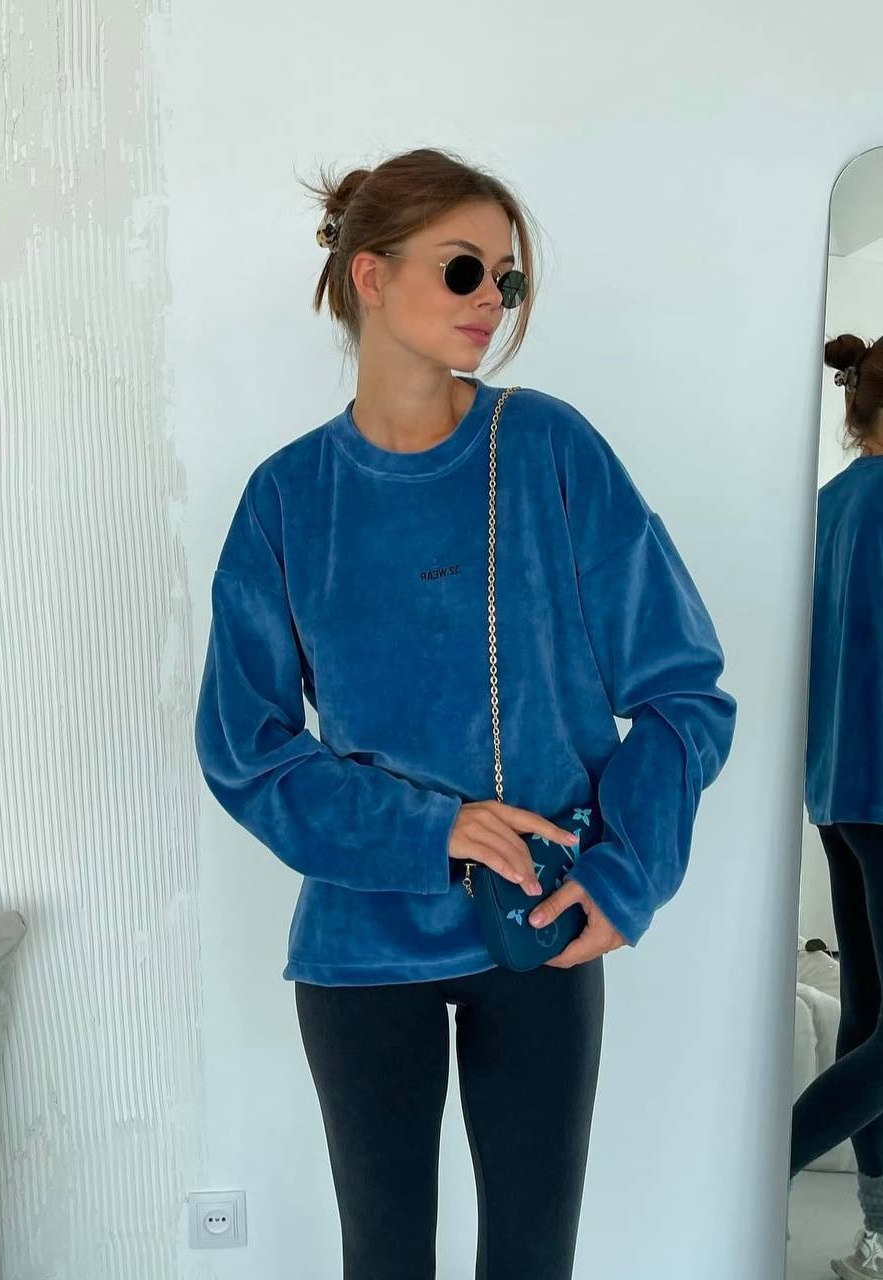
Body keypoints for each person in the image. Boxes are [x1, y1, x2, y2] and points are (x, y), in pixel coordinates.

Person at [193, 146, 737, 1280]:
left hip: (538, 924)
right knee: (385, 1259)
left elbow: (683, 691)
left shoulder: (548, 448)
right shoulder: (289, 497)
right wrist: (432, 828)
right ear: (370, 274)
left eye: (508, 277)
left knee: (531, 1261)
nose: (493, 298)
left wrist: (628, 873)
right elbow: (245, 748)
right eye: (463, 269)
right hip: (359, 944)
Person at [791, 334, 883, 1280]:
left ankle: (877, 1234)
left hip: (838, 786)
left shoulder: (827, 505)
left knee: (868, 1015)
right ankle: (760, 1167)